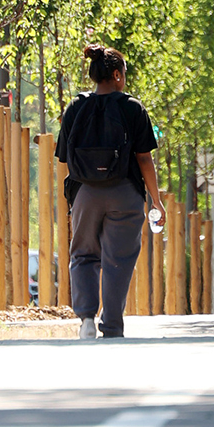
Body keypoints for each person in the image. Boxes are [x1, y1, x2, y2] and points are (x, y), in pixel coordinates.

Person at [56, 45, 165, 339]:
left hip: (84, 194)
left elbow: (64, 158)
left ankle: (87, 319)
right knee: (118, 258)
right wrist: (156, 199)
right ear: (117, 74)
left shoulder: (76, 107)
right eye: (125, 73)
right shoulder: (133, 108)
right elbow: (144, 159)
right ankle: (113, 326)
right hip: (125, 193)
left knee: (83, 254)